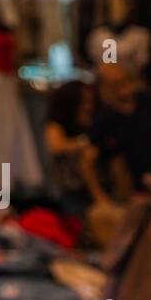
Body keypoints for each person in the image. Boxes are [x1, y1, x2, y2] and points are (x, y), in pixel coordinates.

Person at [89, 61, 151, 197]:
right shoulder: (104, 119)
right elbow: (88, 160)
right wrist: (100, 198)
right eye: (115, 84)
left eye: (125, 80)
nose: (123, 88)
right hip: (139, 192)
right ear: (103, 88)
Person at [43, 80, 99, 215]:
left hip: (95, 185)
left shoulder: (95, 121)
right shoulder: (56, 124)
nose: (89, 106)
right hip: (69, 188)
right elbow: (57, 146)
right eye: (84, 102)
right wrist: (84, 142)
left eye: (90, 101)